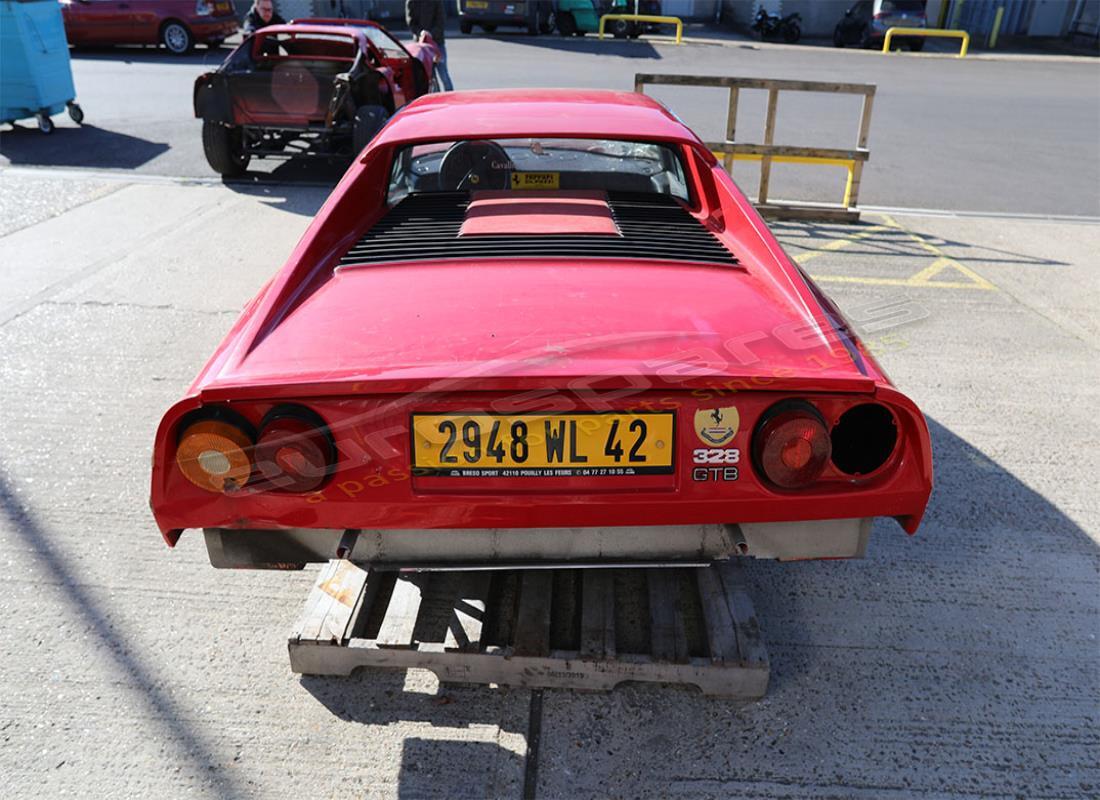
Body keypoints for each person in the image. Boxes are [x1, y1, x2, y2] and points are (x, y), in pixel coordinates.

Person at [405, 0, 453, 91]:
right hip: (421, 45)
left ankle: (451, 98)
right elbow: (411, 22)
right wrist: (421, 33)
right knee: (431, 78)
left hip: (437, 42)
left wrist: (431, 34)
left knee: (444, 75)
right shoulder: (411, 2)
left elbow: (441, 19)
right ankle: (436, 100)